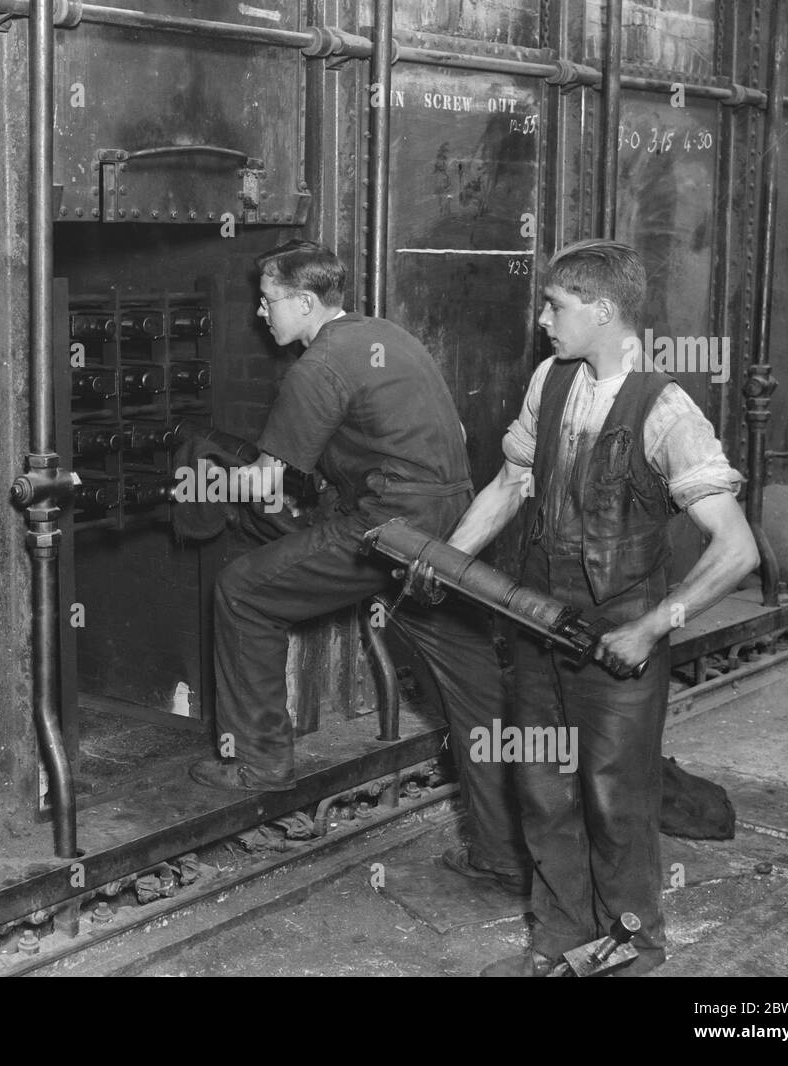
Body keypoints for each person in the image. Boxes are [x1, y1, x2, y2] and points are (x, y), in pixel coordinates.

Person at [445, 239, 759, 976]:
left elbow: (737, 549)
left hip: (620, 633)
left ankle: (630, 946)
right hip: (536, 623)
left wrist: (652, 627)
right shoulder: (550, 380)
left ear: (604, 309)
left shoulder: (667, 410)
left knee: (615, 798)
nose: (545, 320)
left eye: (557, 306)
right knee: (542, 787)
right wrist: (448, 563)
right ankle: (556, 938)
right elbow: (508, 487)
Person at [188, 239, 528, 894]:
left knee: (242, 588)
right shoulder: (383, 334)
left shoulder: (315, 367)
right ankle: (503, 852)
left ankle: (260, 763)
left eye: (268, 301)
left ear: (306, 302)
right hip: (450, 530)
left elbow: (264, 488)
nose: (261, 315)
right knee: (474, 693)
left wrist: (203, 472)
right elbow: (426, 437)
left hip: (387, 530)